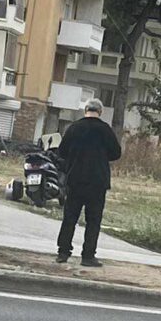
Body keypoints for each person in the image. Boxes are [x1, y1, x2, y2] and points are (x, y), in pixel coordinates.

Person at [55, 98, 122, 267]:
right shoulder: (105, 130)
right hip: (97, 181)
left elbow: (61, 152)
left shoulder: (74, 128)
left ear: (85, 110)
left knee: (70, 217)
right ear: (100, 112)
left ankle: (63, 252)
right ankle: (88, 256)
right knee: (93, 220)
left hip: (75, 179)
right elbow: (116, 153)